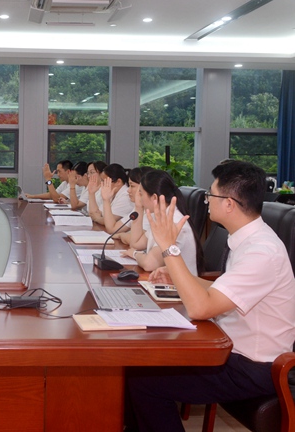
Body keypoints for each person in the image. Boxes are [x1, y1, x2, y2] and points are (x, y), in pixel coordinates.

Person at [125, 161, 295, 432]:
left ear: (228, 204)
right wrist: (179, 276)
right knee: (138, 366)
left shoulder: (261, 251)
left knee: (143, 382)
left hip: (253, 366)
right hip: (229, 347)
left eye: (210, 195)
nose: (206, 201)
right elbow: (220, 292)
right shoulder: (247, 240)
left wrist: (169, 248)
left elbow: (200, 308)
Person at [121, 170, 201, 274]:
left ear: (154, 197)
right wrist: (138, 207)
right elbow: (136, 243)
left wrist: (135, 254)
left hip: (176, 284)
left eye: (141, 194)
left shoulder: (173, 221)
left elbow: (149, 264)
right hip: (163, 280)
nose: (139, 197)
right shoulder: (159, 216)